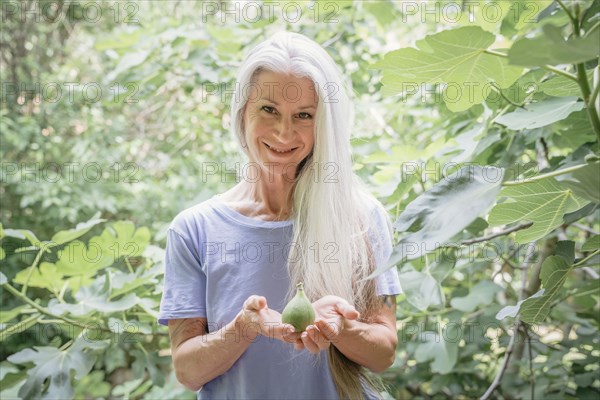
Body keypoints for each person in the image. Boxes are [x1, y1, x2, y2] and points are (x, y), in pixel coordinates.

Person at [158, 31, 401, 400]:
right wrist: (245, 327)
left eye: (304, 115)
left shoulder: (363, 217)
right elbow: (187, 370)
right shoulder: (193, 229)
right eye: (269, 109)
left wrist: (341, 328)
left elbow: (384, 353)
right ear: (242, 112)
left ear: (323, 125)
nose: (284, 132)